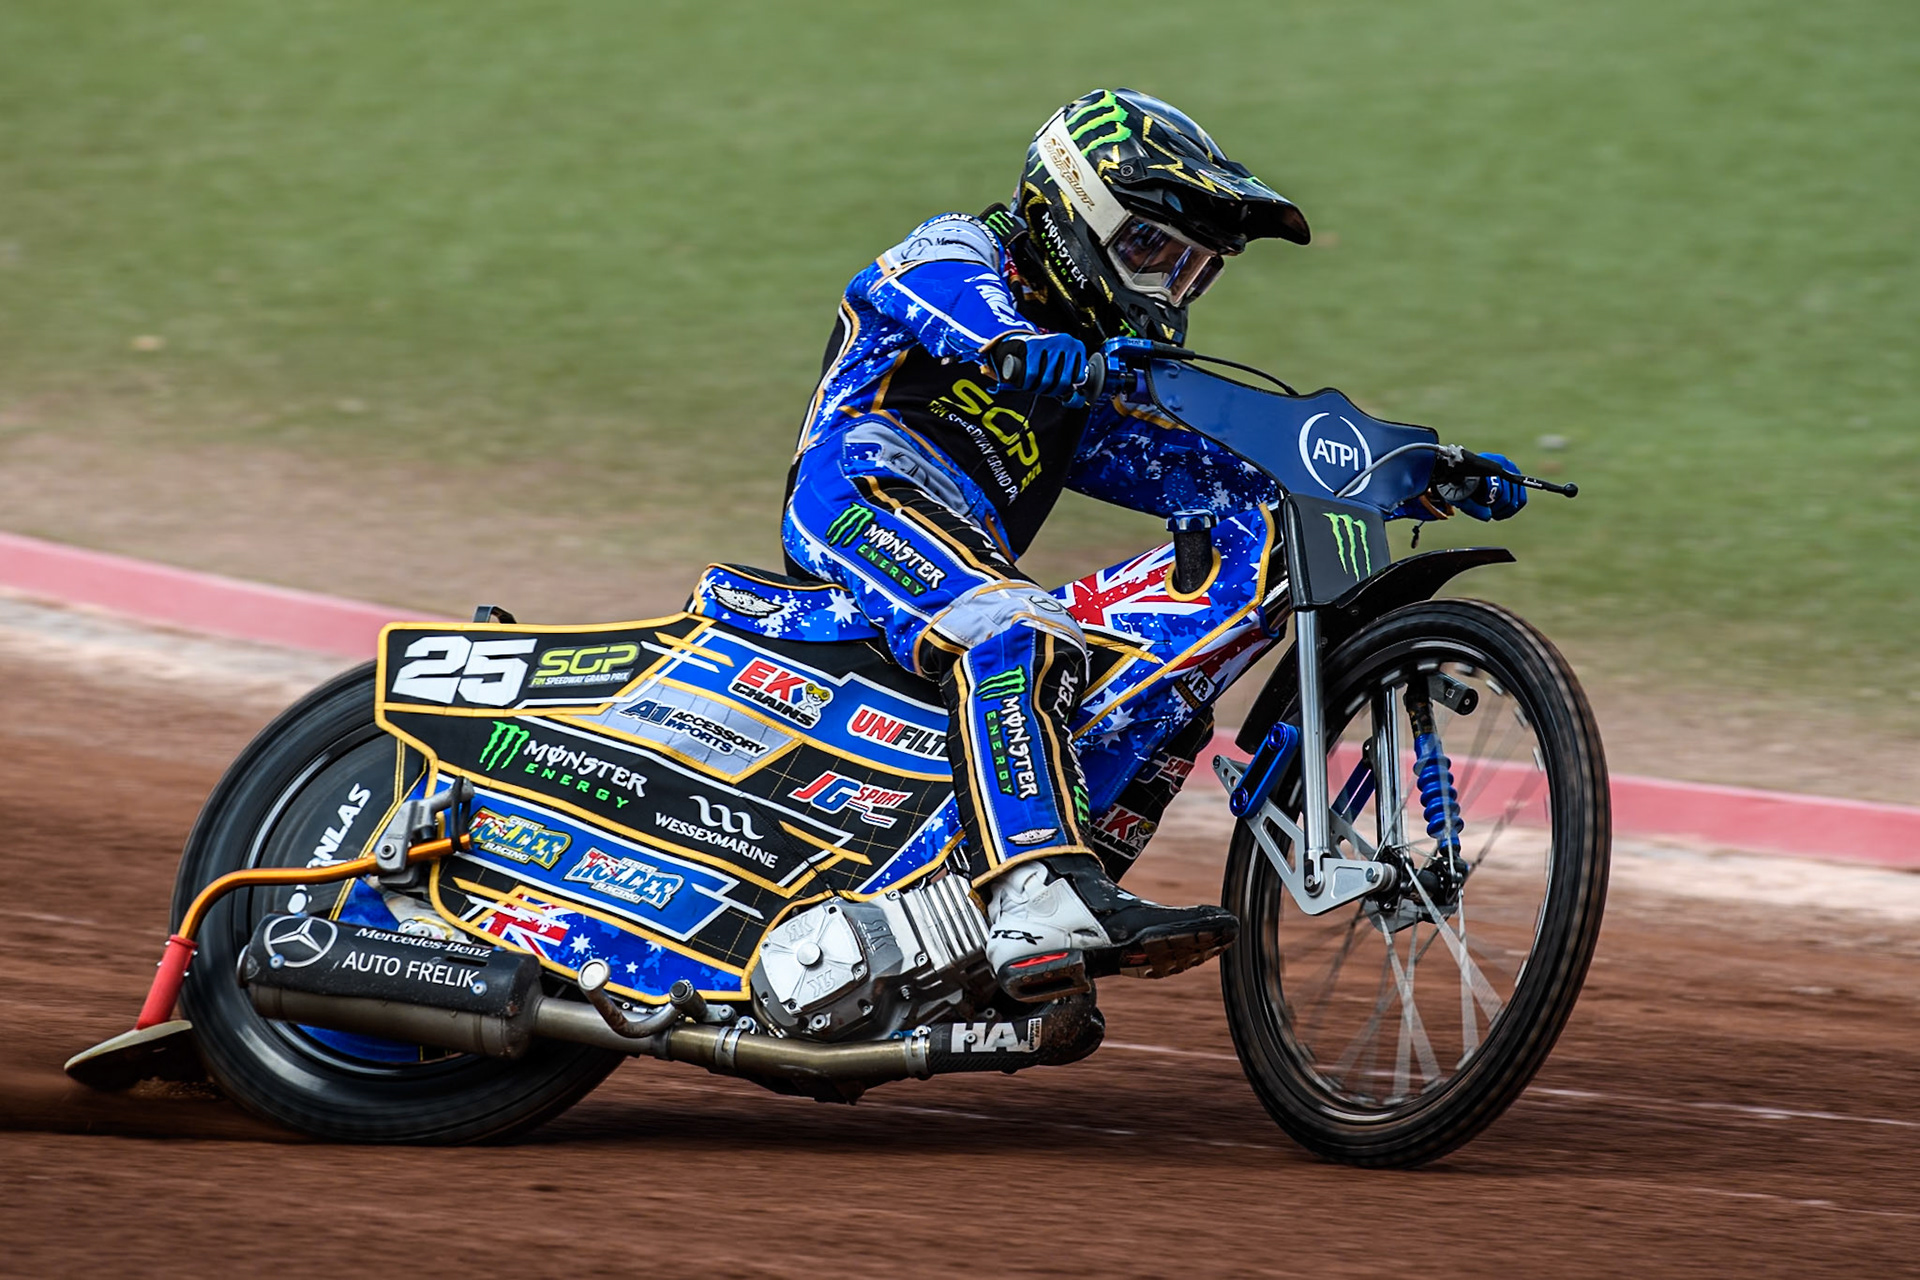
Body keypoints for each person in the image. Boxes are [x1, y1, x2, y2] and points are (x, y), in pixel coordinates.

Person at [782, 89, 1523, 1003]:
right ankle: (1036, 897)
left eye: (1193, 272)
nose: (1169, 289)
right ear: (1069, 211)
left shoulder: (1082, 384)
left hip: (960, 546)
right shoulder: (955, 251)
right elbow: (948, 309)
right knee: (1021, 630)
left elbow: (1226, 470)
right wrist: (1022, 343)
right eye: (1151, 252)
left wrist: (1408, 472)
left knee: (1166, 698)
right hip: (857, 504)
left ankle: (1032, 910)